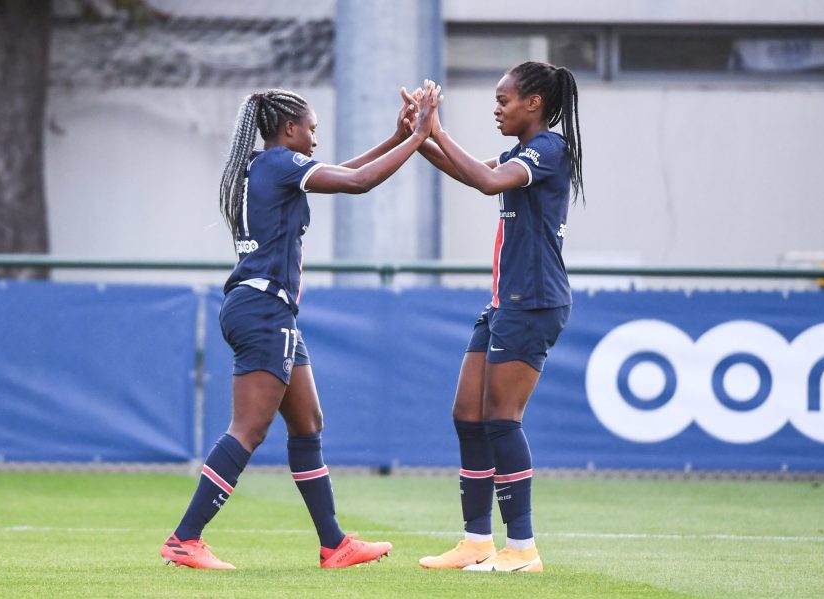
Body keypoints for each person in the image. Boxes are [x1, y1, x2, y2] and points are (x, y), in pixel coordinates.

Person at [161, 83, 440, 570]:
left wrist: (397, 139)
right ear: (288, 130)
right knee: (248, 429)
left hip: (264, 309)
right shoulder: (281, 164)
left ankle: (333, 544)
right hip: (265, 310)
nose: (315, 138)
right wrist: (420, 136)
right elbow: (358, 183)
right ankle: (185, 538)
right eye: (311, 129)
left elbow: (345, 172)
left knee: (307, 424)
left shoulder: (262, 165)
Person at [414, 62, 584, 573]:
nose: (497, 108)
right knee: (468, 415)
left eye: (503, 99)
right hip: (503, 303)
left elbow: (487, 182)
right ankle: (475, 541)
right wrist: (418, 137)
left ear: (534, 103)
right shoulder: (520, 153)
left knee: (501, 420)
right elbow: (474, 173)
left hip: (533, 302)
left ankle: (522, 550)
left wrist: (437, 130)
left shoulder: (550, 150)